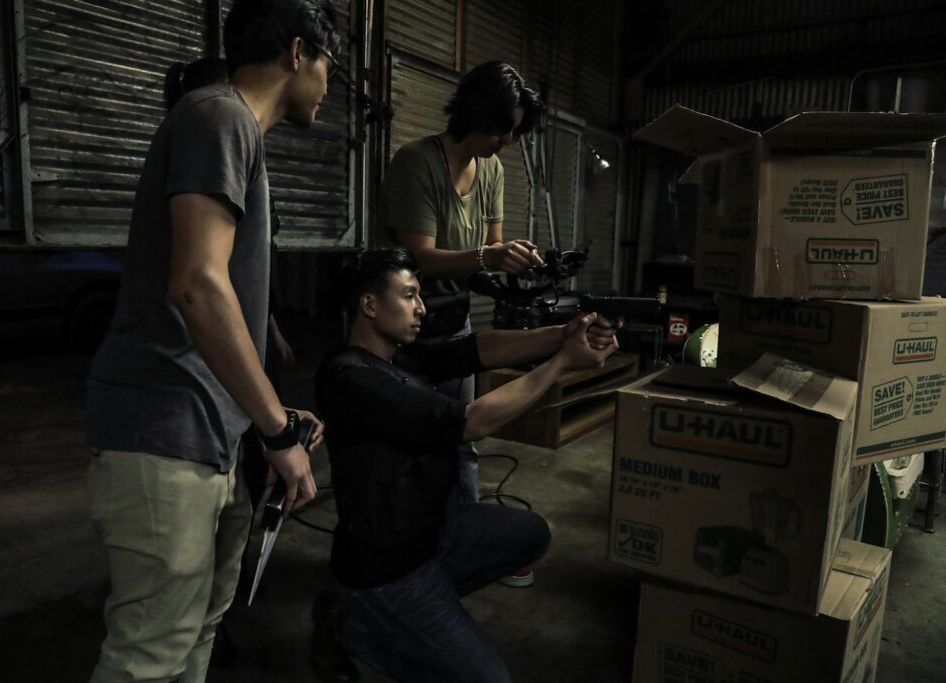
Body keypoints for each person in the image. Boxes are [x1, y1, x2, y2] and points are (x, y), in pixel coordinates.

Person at [84, 2, 341, 681]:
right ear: (297, 52)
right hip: (165, 429)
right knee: (148, 655)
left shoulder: (235, 130)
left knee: (199, 631)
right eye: (330, 67)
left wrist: (267, 413)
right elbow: (198, 285)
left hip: (212, 432)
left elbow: (223, 298)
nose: (329, 85)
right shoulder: (219, 117)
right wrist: (277, 430)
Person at [314, 248, 619, 682]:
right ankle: (353, 625)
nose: (421, 307)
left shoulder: (398, 355)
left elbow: (475, 350)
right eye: (409, 295)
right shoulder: (350, 378)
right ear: (370, 305)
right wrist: (562, 363)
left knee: (531, 533)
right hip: (385, 567)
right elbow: (471, 422)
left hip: (431, 531)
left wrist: (561, 334)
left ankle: (414, 615)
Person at [377, 64, 547, 587]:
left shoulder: (491, 171)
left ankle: (467, 545)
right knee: (400, 446)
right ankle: (393, 556)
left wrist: (514, 265)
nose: (508, 141)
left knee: (461, 441)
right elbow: (422, 259)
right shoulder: (416, 163)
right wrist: (490, 256)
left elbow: (485, 255)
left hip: (453, 321)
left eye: (514, 131)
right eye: (503, 129)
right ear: (476, 115)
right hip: (400, 329)